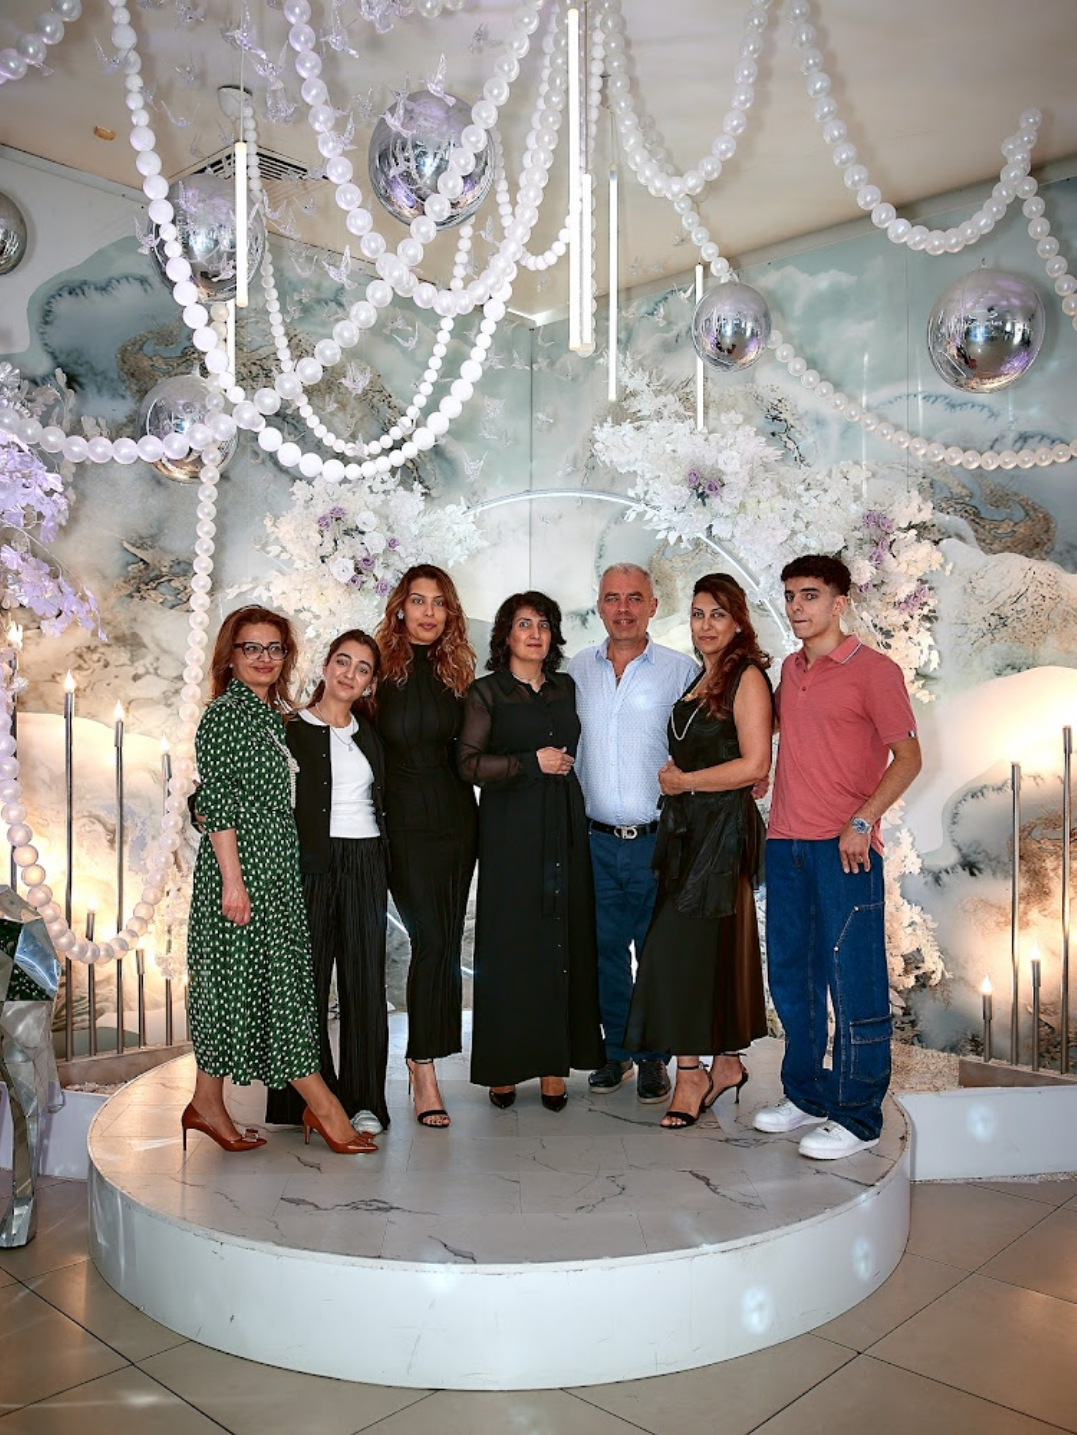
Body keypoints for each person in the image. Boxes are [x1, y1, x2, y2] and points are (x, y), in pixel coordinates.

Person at [185, 605, 376, 1156]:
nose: (264, 658)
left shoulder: (270, 717)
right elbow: (216, 802)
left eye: (275, 648)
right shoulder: (225, 715)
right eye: (252, 648)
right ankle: (325, 1107)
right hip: (243, 874)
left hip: (276, 874)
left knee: (243, 987)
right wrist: (233, 882)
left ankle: (207, 1103)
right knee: (270, 991)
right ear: (231, 655)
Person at [753, 556, 922, 1160]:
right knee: (792, 980)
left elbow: (909, 758)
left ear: (839, 603)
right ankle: (806, 1095)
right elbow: (779, 735)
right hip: (785, 845)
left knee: (855, 982)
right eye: (790, 595)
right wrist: (758, 774)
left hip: (844, 851)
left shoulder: (875, 671)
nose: (797, 606)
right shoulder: (790, 670)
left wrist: (862, 820)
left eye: (811, 595)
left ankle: (857, 1116)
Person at [624, 575, 773, 1127]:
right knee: (707, 953)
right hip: (686, 831)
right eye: (697, 614)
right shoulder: (701, 677)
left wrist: (685, 782)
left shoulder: (747, 677)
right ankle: (726, 1064)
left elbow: (755, 765)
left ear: (738, 621)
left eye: (717, 614)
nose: (705, 625)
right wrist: (680, 780)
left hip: (721, 835)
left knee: (674, 953)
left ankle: (691, 1074)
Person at [459, 591, 604, 1108]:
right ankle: (503, 1066)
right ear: (506, 634)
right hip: (511, 829)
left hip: (564, 822)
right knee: (511, 943)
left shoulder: (565, 688)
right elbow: (468, 765)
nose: (535, 633)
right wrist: (528, 763)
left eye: (543, 624)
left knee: (560, 940)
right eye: (524, 624)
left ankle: (552, 1064)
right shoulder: (487, 692)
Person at [567, 563, 697, 1103]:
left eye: (635, 598)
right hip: (594, 840)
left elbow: (704, 745)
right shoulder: (576, 670)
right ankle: (616, 1050)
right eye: (612, 598)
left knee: (656, 953)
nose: (623, 608)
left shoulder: (681, 671)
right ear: (599, 605)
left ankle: (653, 1058)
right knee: (604, 954)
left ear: (653, 606)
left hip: (657, 840)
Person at [265, 630, 390, 1136]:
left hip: (366, 861)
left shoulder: (370, 735)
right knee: (306, 983)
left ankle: (365, 1102)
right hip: (309, 865)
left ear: (370, 683)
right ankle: (306, 1101)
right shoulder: (289, 729)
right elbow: (244, 785)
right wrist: (201, 808)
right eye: (343, 661)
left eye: (362, 668)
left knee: (364, 983)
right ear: (326, 665)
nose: (349, 674)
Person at [375, 565, 478, 1128]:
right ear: (400, 608)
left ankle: (427, 1059)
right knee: (431, 941)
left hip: (459, 823)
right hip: (403, 826)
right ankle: (422, 1065)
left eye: (439, 603)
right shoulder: (375, 671)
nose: (429, 612)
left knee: (444, 941)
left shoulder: (456, 672)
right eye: (418, 601)